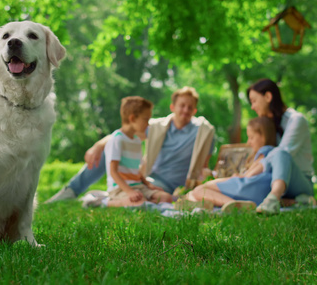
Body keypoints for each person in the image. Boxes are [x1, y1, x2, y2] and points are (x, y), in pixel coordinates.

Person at [46, 86, 215, 203]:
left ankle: (107, 198)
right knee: (109, 149)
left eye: (190, 107)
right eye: (182, 106)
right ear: (173, 107)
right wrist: (99, 145)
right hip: (149, 178)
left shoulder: (203, 133)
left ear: (195, 110)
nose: (185, 110)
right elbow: (125, 131)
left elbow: (204, 165)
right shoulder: (157, 127)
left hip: (172, 184)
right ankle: (71, 191)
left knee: (143, 195)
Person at [246, 78, 316, 214]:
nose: (252, 107)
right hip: (278, 179)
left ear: (268, 96)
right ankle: (297, 201)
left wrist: (249, 175)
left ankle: (273, 200)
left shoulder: (296, 120)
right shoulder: (270, 125)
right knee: (266, 151)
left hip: (299, 181)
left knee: (279, 153)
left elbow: (282, 154)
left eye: (254, 101)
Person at [183, 117, 277, 212]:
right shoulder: (267, 154)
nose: (249, 142)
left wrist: (238, 176)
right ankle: (199, 201)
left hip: (248, 188)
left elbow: (250, 175)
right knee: (197, 192)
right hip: (249, 189)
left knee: (200, 190)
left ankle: (236, 206)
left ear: (264, 136)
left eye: (251, 137)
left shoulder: (266, 152)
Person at [103, 96, 172, 207]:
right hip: (120, 188)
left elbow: (136, 171)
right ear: (132, 118)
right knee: (140, 203)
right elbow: (113, 171)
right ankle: (107, 203)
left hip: (138, 186)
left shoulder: (137, 140)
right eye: (145, 119)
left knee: (166, 198)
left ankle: (146, 203)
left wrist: (149, 185)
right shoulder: (117, 139)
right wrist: (129, 192)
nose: (148, 124)